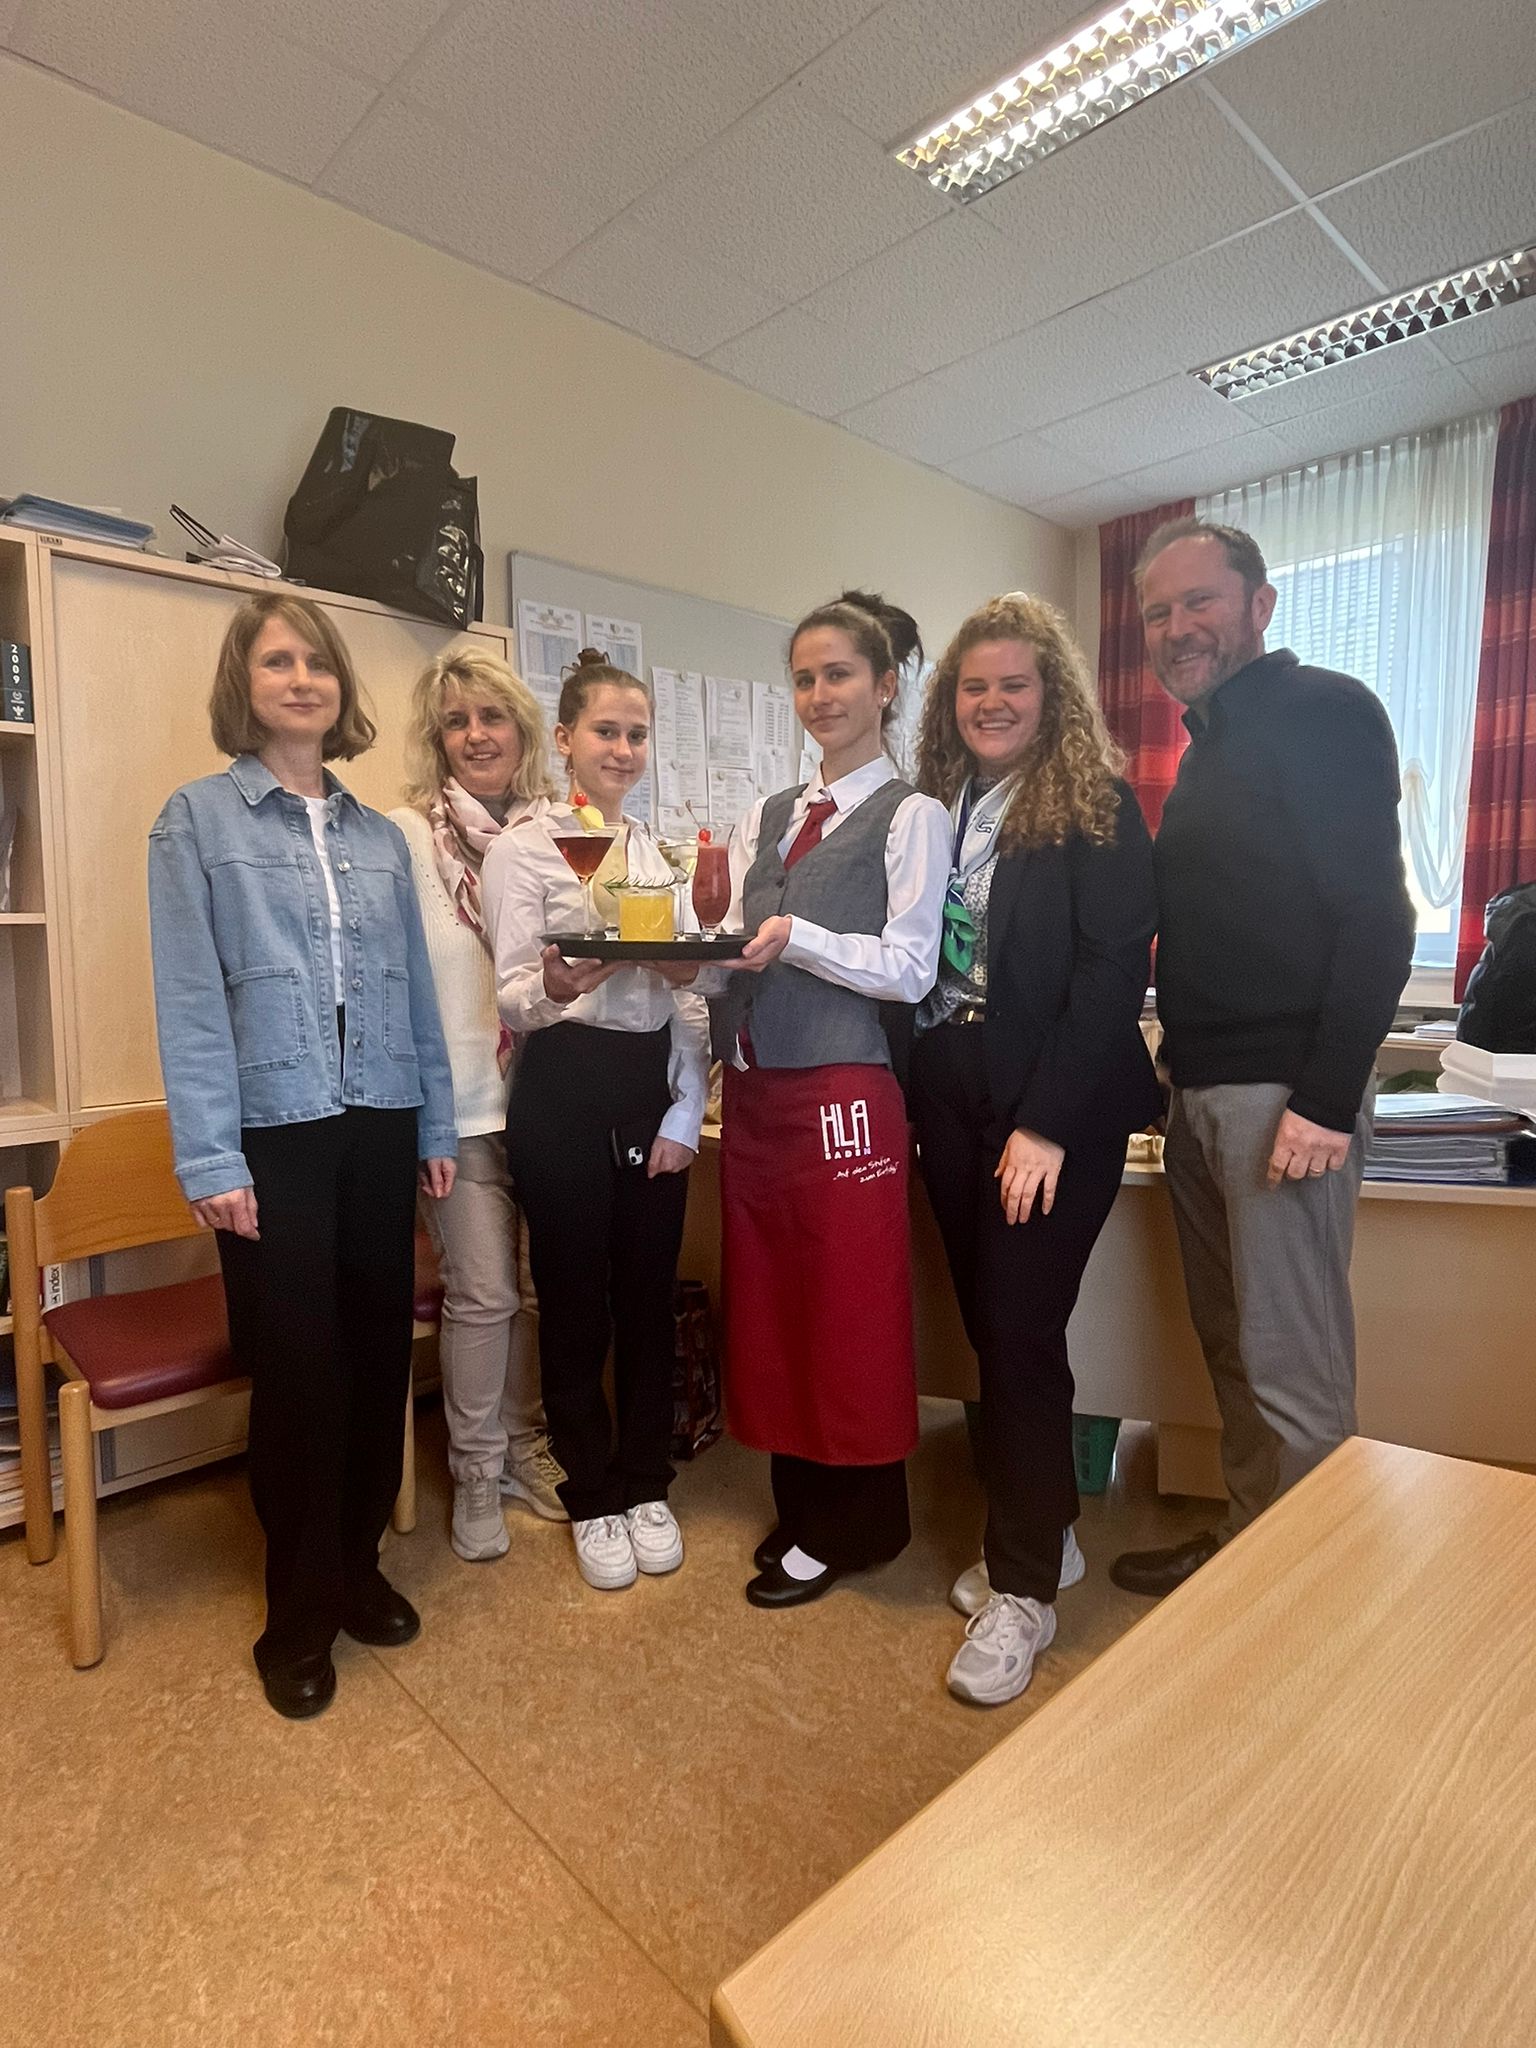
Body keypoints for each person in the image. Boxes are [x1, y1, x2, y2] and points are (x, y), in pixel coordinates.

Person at [148, 594, 457, 1721]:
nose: (301, 678)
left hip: (378, 1117)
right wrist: (208, 1156)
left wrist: (432, 1124)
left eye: (317, 661)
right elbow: (190, 999)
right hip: (270, 1134)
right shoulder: (195, 822)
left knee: (377, 1357)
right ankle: (297, 1608)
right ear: (246, 683)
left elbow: (415, 993)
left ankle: (358, 1566)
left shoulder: (380, 839)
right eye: (276, 660)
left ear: (339, 687)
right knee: (296, 1371)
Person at [1111, 517, 1415, 1598]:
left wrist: (1325, 1100)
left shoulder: (1323, 711)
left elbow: (1379, 917)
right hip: (1200, 1092)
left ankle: (1311, 1609)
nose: (1177, 627)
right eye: (1158, 612)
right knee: (1233, 1347)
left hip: (1283, 1098)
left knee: (1293, 1371)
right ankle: (1252, 1556)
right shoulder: (1207, 749)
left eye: (1199, 600)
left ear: (1260, 605)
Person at [908, 594, 1161, 1703]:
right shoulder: (940, 805)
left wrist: (1047, 1122)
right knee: (989, 1325)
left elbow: (1111, 975)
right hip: (951, 1086)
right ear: (949, 702)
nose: (994, 701)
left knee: (1018, 1331)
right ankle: (1046, 1529)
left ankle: (1022, 1591)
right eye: (975, 686)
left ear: (1051, 693)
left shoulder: (1094, 802)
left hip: (1053, 1100)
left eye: (1014, 683)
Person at [706, 591, 949, 1608]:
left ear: (886, 685)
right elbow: (740, 952)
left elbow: (911, 967)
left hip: (845, 1087)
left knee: (847, 1304)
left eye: (840, 673)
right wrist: (685, 964)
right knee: (773, 1300)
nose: (819, 694)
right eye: (804, 677)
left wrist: (797, 939)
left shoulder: (913, 815)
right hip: (759, 1090)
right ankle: (802, 1505)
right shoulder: (772, 815)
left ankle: (859, 1523)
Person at [483, 651, 708, 1591]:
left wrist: (686, 1113)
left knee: (648, 1298)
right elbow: (512, 993)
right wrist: (560, 984)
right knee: (573, 1301)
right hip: (562, 1086)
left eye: (636, 734)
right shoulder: (522, 849)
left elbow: (688, 995)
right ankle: (590, 1491)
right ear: (566, 738)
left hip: (647, 1088)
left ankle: (647, 1480)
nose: (622, 749)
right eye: (605, 732)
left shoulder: (657, 855)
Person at [389, 649, 567, 1565]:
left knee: (537, 1291)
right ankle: (475, 1469)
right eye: (456, 721)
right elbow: (390, 985)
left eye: (491, 717)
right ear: (438, 739)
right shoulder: (402, 839)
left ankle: (524, 1446)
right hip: (457, 1111)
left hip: (550, 1102)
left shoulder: (561, 835)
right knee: (486, 1291)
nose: (476, 735)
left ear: (523, 731)